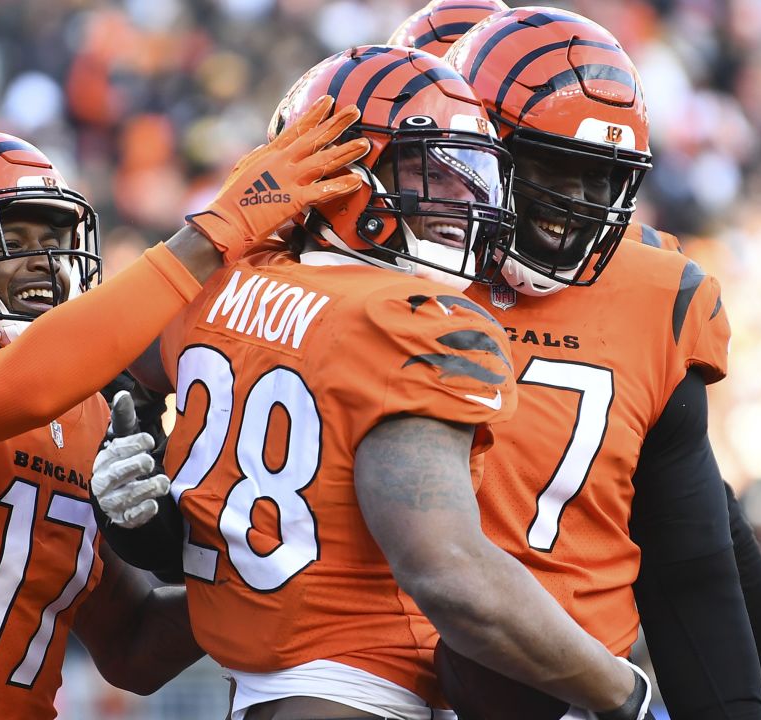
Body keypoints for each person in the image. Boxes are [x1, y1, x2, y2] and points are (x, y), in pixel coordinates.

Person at [0, 109, 371, 719]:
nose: (44, 260)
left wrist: (270, 568)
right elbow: (8, 392)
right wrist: (214, 233)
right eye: (11, 238)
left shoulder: (83, 414)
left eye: (55, 240)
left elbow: (133, 647)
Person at [130, 44, 654, 720]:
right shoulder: (412, 324)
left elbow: (118, 362)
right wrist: (623, 694)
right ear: (340, 173)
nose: (460, 199)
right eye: (426, 170)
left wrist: (142, 494)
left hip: (265, 687)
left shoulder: (219, 284)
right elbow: (450, 574)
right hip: (363, 687)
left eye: (469, 176)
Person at [387, 4, 761, 718]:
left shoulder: (654, 290)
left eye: (595, 180)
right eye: (551, 169)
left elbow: (698, 548)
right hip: (378, 671)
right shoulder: (374, 271)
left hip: (575, 681)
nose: (571, 206)